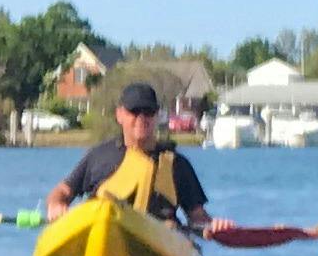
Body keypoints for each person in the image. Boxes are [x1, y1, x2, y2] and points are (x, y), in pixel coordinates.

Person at [43, 80, 210, 231]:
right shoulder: (99, 156)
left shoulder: (178, 165)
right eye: (134, 111)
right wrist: (56, 204)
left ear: (157, 115)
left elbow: (198, 217)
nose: (141, 118)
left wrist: (212, 226)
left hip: (158, 239)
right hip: (101, 230)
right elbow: (63, 190)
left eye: (148, 112)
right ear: (119, 115)